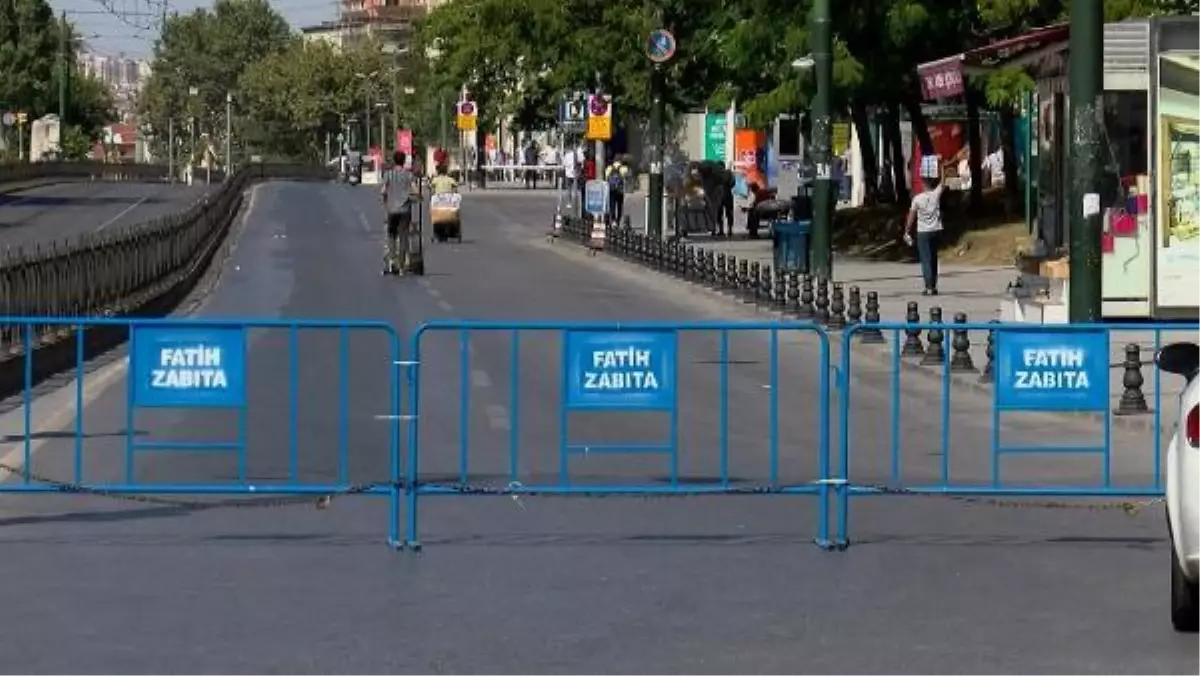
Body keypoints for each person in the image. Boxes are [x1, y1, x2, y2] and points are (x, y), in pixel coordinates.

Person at [905, 164, 947, 296]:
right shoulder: (935, 195)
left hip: (923, 232)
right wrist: (942, 167)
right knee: (933, 258)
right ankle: (933, 285)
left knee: (926, 259)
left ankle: (929, 287)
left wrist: (907, 230)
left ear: (923, 183)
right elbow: (943, 181)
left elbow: (912, 215)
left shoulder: (917, 199)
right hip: (936, 230)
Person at [380, 150, 421, 274]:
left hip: (392, 210)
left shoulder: (389, 174)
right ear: (403, 161)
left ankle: (392, 260)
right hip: (405, 210)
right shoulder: (408, 175)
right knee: (403, 237)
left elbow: (383, 191)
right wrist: (417, 196)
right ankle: (402, 266)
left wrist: (386, 201)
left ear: (394, 161)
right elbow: (415, 190)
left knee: (391, 235)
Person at [605, 155, 630, 224]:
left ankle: (613, 220)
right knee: (619, 205)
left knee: (612, 204)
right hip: (620, 190)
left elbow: (606, 177)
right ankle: (618, 220)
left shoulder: (609, 168)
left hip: (612, 189)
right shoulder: (624, 168)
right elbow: (627, 177)